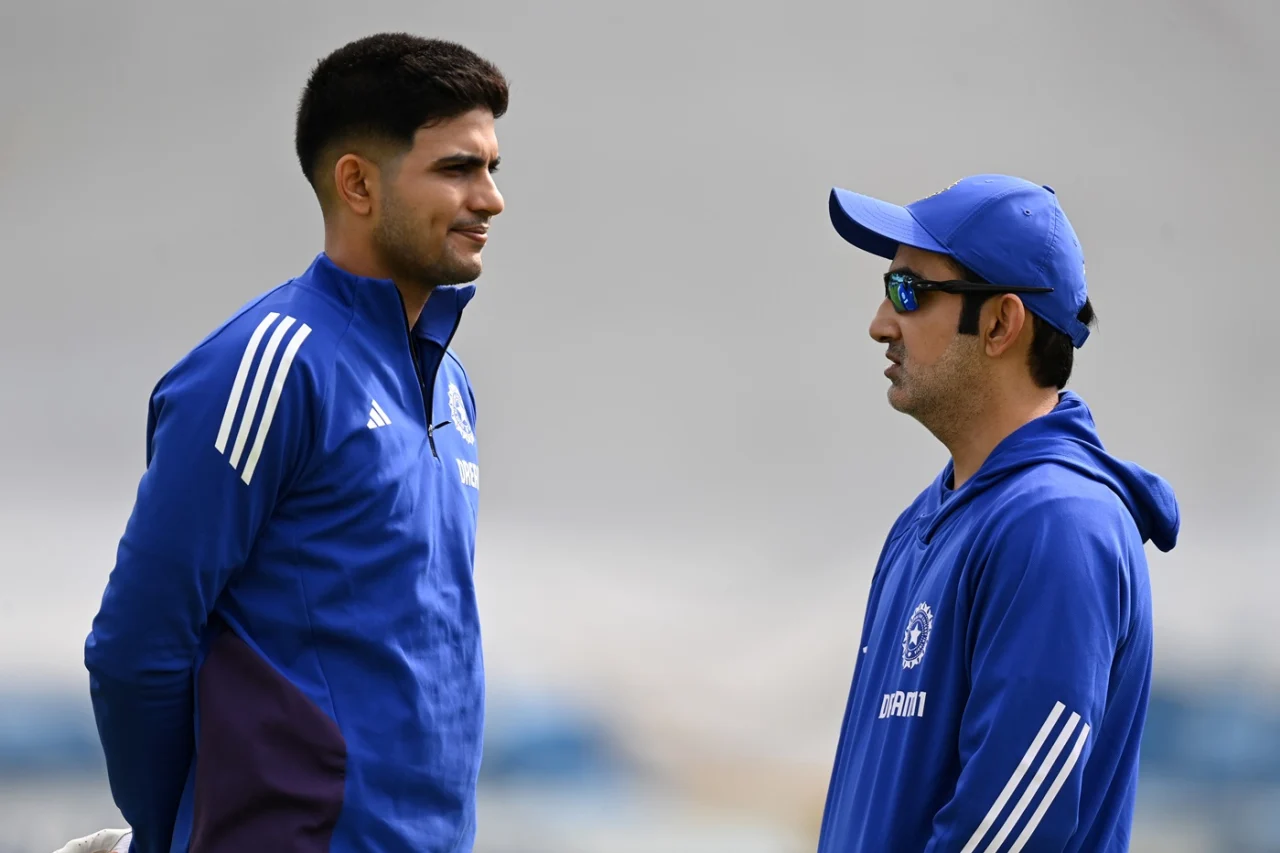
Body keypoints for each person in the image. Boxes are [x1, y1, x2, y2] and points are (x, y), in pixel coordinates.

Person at [77, 32, 507, 853]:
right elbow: (137, 645)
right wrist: (173, 829)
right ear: (357, 183)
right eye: (457, 168)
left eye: (493, 168)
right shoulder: (268, 367)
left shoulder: (451, 388)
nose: (489, 198)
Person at [816, 175, 1180, 851]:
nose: (879, 323)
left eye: (909, 291)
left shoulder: (1060, 528)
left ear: (1001, 323)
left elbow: (1005, 834)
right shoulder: (923, 526)